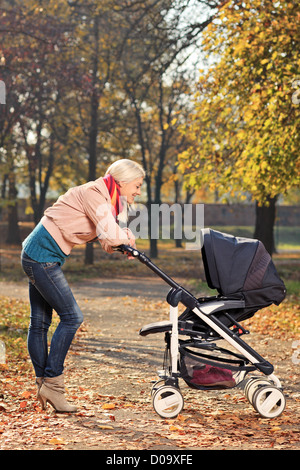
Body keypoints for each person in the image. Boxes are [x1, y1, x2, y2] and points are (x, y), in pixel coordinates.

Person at [21, 159, 145, 413]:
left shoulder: (107, 201)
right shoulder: (95, 194)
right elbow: (112, 235)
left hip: (41, 254)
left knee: (40, 323)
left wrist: (122, 243)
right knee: (72, 317)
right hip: (41, 256)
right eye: (137, 185)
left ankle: (44, 385)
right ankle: (52, 385)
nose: (139, 191)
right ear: (122, 182)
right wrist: (126, 237)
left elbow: (106, 239)